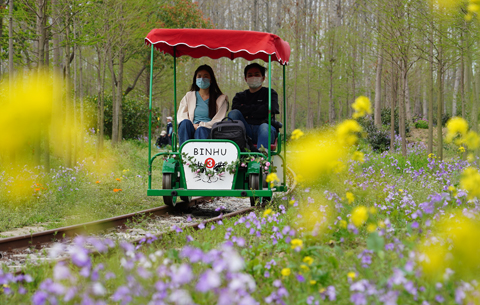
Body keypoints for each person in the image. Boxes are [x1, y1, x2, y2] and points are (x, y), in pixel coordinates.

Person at [228, 63, 280, 150]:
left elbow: (273, 109)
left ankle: (261, 161)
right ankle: (235, 155)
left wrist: (246, 109)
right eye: (250, 75)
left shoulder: (270, 93)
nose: (253, 77)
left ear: (263, 78)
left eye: (256, 74)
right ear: (246, 79)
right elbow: (235, 110)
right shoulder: (239, 96)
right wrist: (260, 109)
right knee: (233, 113)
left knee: (264, 127)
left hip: (264, 130)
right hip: (245, 131)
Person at [177, 64, 228, 146]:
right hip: (191, 128)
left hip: (208, 130)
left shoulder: (220, 99)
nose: (202, 79)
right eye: (199, 76)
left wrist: (200, 126)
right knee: (185, 123)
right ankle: (184, 154)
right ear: (195, 79)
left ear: (211, 80)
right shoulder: (189, 96)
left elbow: (219, 120)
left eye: (205, 76)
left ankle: (201, 158)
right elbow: (181, 115)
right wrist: (194, 126)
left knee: (201, 130)